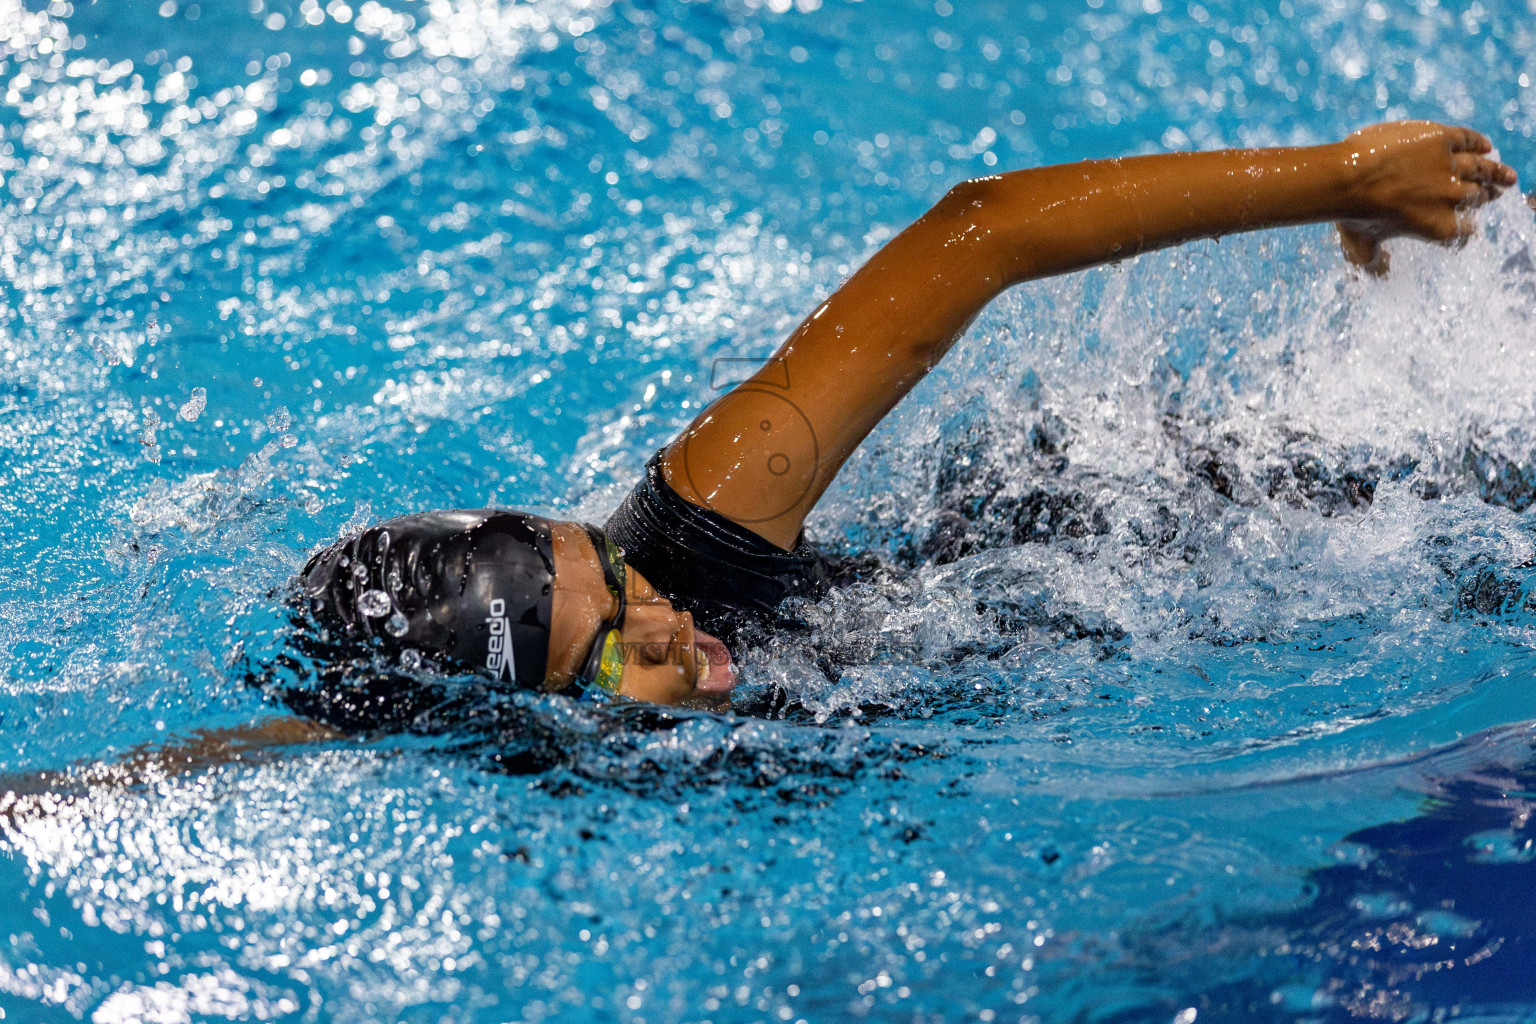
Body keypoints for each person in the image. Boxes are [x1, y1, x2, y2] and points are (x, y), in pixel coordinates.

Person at [290, 120, 1517, 722]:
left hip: (1158, 531)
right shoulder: (550, 761)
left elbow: (974, 233)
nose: (668, 619)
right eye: (609, 650)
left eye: (615, 575)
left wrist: (1346, 177)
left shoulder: (699, 532)